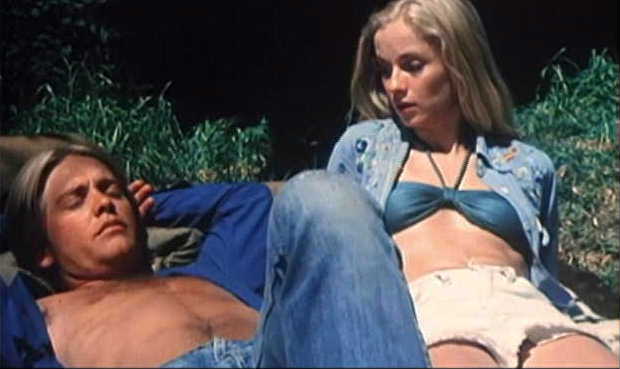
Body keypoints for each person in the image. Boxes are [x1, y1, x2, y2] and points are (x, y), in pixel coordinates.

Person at [325, 0, 618, 367]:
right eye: (385, 71)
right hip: (429, 307)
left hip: (522, 301)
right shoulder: (364, 149)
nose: (395, 85)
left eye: (413, 66)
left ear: (458, 64)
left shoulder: (526, 164)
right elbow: (330, 259)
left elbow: (543, 268)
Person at [1, 143, 430, 367]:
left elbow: (246, 202)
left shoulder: (216, 270)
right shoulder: (33, 314)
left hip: (279, 357)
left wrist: (150, 205)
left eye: (111, 190)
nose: (103, 203)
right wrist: (18, 230)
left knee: (322, 192)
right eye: (76, 200)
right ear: (41, 247)